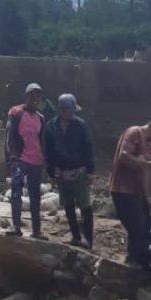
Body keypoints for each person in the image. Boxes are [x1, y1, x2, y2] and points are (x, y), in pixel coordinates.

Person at [110, 118, 151, 267]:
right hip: (124, 190)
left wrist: (146, 200)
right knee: (137, 226)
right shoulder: (134, 132)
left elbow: (142, 174)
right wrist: (147, 164)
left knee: (145, 224)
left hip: (136, 192)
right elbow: (123, 156)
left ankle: (138, 258)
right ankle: (135, 260)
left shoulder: (146, 145)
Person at [46, 94, 95, 249]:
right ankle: (75, 235)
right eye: (68, 110)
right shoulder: (51, 126)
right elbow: (49, 151)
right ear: (61, 110)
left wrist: (90, 171)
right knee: (68, 204)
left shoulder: (81, 125)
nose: (71, 113)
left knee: (85, 205)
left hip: (79, 171)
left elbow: (88, 148)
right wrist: (51, 172)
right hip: (61, 171)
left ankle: (88, 239)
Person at [5, 82, 47, 239]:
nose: (35, 98)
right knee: (16, 192)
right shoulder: (16, 113)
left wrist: (45, 159)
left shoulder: (41, 118)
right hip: (20, 160)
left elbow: (42, 141)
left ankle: (36, 230)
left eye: (38, 96)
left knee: (35, 196)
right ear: (26, 96)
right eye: (32, 95)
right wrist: (12, 157)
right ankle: (16, 226)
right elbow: (10, 135)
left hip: (36, 161)